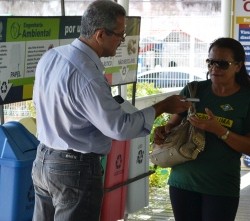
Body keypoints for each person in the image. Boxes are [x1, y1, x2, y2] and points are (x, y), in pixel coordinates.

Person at [31, 1, 191, 221]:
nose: (121, 42)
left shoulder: (52, 57)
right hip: (74, 169)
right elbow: (118, 127)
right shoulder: (88, 75)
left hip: (43, 160)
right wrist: (162, 106)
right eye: (119, 35)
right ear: (100, 34)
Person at [154, 37, 250, 221]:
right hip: (182, 182)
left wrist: (220, 130)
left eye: (222, 64)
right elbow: (171, 125)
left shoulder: (246, 99)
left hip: (220, 186)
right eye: (210, 62)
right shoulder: (194, 91)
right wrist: (163, 131)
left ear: (238, 66)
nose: (214, 68)